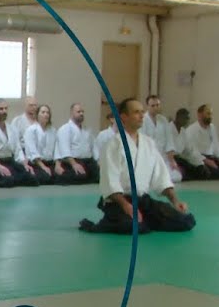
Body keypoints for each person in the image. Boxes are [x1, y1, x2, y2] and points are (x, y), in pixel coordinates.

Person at [80, 97, 195, 234]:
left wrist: (175, 201)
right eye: (136, 112)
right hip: (119, 202)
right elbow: (110, 182)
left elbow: (161, 177)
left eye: (142, 111)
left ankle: (144, 219)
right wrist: (126, 206)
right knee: (134, 227)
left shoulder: (149, 143)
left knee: (185, 221)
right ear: (124, 117)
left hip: (143, 201)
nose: (142, 116)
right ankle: (105, 223)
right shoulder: (113, 145)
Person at [183, 104, 219, 179]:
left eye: (211, 114)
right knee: (215, 173)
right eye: (208, 113)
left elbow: (216, 144)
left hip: (211, 157)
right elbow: (192, 151)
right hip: (199, 159)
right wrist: (206, 160)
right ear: (199, 114)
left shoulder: (212, 127)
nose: (210, 116)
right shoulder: (191, 130)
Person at [55, 102, 98, 184]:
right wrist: (74, 164)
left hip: (88, 161)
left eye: (82, 112)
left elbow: (94, 147)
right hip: (73, 161)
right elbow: (65, 150)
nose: (81, 113)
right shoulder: (65, 129)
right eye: (78, 112)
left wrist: (98, 161)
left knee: (99, 176)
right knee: (80, 176)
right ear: (71, 114)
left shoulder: (87, 130)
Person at [142, 95, 182, 184]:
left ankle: (159, 179)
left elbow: (169, 141)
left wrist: (172, 161)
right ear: (147, 106)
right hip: (148, 158)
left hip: (163, 157)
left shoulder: (163, 120)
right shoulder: (143, 120)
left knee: (177, 176)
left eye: (157, 105)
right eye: (153, 106)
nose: (155, 108)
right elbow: (142, 142)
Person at [22, 103, 59, 185]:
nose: (46, 114)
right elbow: (33, 151)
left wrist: (57, 164)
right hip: (36, 163)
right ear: (37, 115)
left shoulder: (53, 130)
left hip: (49, 162)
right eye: (43, 112)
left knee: (60, 176)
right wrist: (43, 167)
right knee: (45, 177)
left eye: (47, 113)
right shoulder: (31, 130)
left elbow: (57, 149)